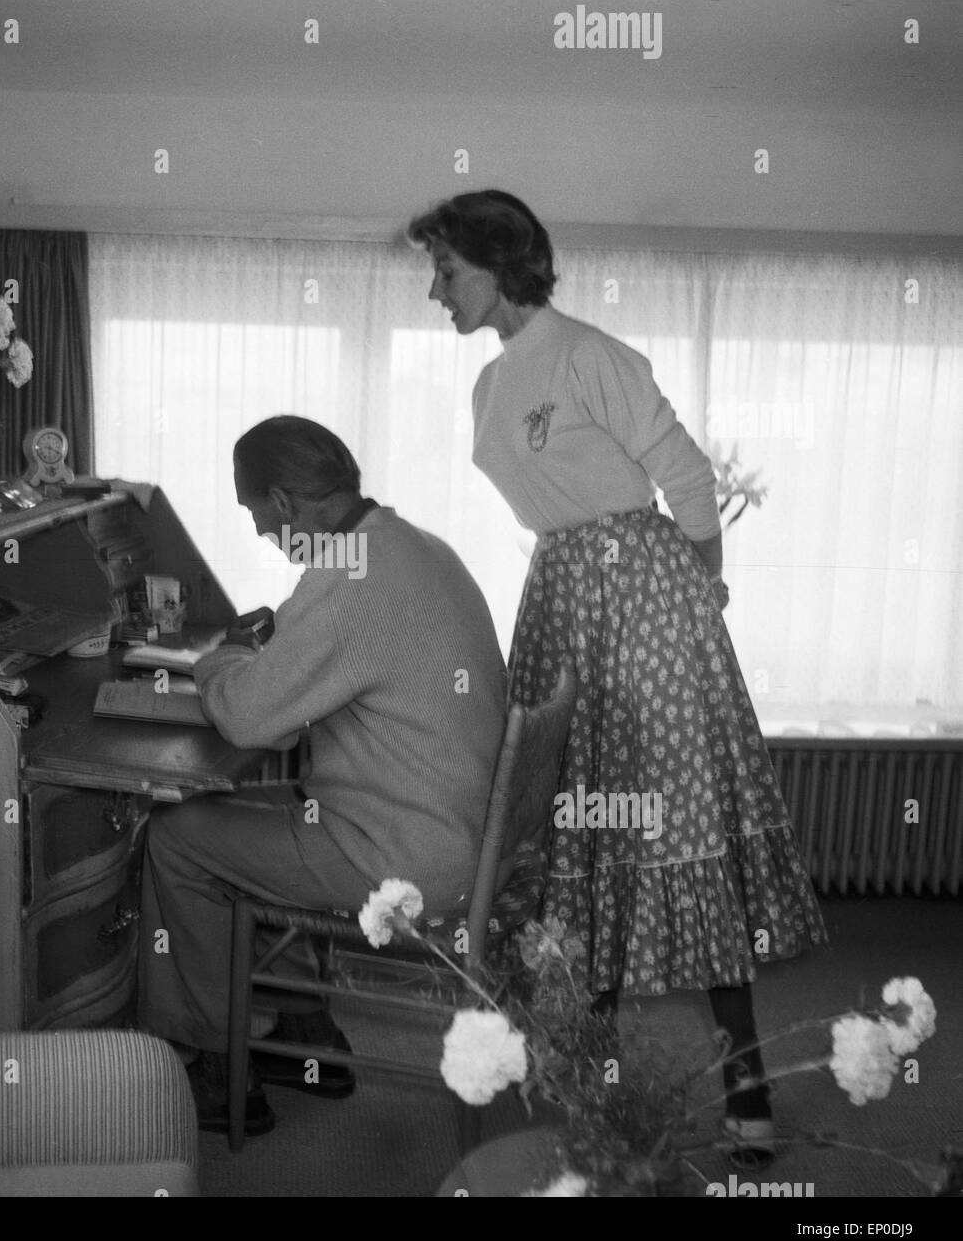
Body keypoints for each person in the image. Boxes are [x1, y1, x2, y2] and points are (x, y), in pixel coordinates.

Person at [407, 190, 827, 1168]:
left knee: (677, 832)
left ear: (501, 263)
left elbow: (683, 475)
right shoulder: (488, 386)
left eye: (447, 270)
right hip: (560, 592)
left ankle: (748, 1091)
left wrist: (699, 588)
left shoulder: (592, 354)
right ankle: (591, 1085)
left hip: (645, 599)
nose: (435, 291)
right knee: (578, 844)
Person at [137, 415, 507, 1135]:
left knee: (178, 836)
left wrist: (214, 660)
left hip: (405, 856)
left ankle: (222, 1072)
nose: (260, 535)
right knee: (280, 810)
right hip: (457, 832)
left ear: (282, 501)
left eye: (254, 516)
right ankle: (306, 1038)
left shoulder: (346, 576)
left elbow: (247, 720)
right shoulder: (414, 546)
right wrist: (274, 655)